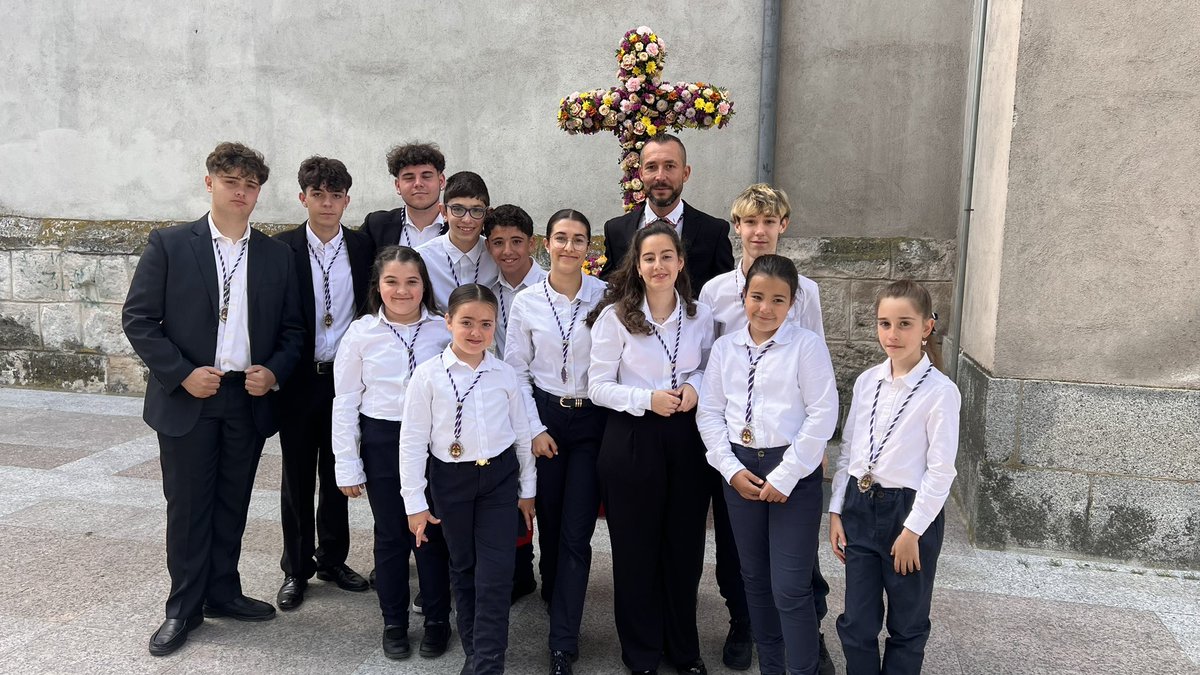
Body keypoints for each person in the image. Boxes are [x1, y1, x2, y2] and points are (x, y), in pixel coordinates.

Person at [123, 142, 304, 656]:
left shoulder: (276, 255)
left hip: (245, 397)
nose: (241, 192)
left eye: (250, 185)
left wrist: (273, 372)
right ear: (210, 183)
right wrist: (182, 374)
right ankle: (183, 607)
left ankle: (223, 591)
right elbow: (139, 319)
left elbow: (293, 329)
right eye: (231, 182)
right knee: (188, 506)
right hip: (190, 397)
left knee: (232, 500)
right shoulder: (170, 244)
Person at [698, 183, 834, 673]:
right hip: (737, 456)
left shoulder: (805, 313)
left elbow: (819, 395)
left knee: (793, 578)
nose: (765, 307)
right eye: (750, 222)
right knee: (751, 572)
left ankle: (807, 648)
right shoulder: (717, 303)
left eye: (768, 221)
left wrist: (803, 457)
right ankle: (758, 645)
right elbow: (710, 393)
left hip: (789, 454)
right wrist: (727, 464)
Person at [586, 221, 714, 675]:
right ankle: (640, 653)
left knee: (684, 551)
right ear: (637, 266)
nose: (658, 265)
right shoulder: (615, 318)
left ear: (680, 263)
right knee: (635, 550)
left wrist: (695, 386)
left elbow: (708, 368)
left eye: (666, 256)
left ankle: (683, 649)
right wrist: (646, 400)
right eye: (649, 258)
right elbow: (597, 386)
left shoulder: (699, 316)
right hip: (633, 437)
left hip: (686, 439)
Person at [401, 284, 536, 675]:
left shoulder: (503, 374)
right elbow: (412, 442)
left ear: (495, 327)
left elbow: (522, 434)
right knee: (463, 567)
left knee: (495, 573)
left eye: (486, 324)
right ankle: (475, 652)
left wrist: (528, 489)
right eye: (466, 322)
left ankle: (489, 663)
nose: (476, 332)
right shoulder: (428, 376)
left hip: (498, 480)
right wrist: (415, 503)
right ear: (448, 322)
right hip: (450, 480)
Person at [828, 280, 960, 675]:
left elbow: (941, 470)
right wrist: (836, 510)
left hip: (908, 514)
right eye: (885, 323)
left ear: (926, 327)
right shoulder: (867, 381)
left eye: (905, 324)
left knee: (907, 623)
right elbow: (849, 450)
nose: (893, 334)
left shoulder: (940, 391)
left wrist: (912, 532)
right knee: (857, 622)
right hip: (860, 505)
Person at [331, 245, 455, 659]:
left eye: (411, 282)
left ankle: (437, 618)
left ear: (425, 286)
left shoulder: (442, 329)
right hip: (382, 440)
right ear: (377, 286)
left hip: (432, 444)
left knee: (431, 531)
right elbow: (345, 401)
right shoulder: (361, 333)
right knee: (391, 535)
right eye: (392, 282)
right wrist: (347, 464)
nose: (402, 291)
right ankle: (394, 622)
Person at [504, 209, 608, 675]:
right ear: (546, 244)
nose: (569, 247)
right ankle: (554, 587)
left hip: (591, 421)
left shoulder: (605, 297)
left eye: (578, 239)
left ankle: (563, 641)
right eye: (561, 238)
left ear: (589, 247)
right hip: (545, 414)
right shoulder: (526, 302)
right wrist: (534, 429)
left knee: (576, 533)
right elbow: (516, 371)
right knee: (547, 518)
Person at [272, 156, 372, 612]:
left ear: (347, 200)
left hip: (345, 380)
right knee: (296, 476)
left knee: (338, 472)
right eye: (318, 195)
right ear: (303, 198)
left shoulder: (363, 247)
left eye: (335, 195)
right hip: (298, 379)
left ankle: (332, 559)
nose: (327, 203)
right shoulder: (280, 248)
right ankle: (296, 568)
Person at [482, 204, 547, 601]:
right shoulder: (487, 291)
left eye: (516, 242)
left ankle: (542, 568)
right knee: (508, 482)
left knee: (537, 483)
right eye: (498, 243)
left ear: (532, 243)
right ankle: (518, 566)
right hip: (497, 398)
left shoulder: (547, 287)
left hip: (539, 395)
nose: (507, 251)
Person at [600, 134, 735, 293]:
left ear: (685, 173)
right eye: (651, 167)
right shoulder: (616, 230)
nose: (660, 177)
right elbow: (608, 291)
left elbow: (724, 293)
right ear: (641, 174)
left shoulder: (714, 232)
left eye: (670, 166)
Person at [415, 172, 499, 311]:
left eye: (476, 210)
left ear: (487, 214)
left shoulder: (497, 256)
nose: (467, 219)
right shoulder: (422, 258)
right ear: (443, 212)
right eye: (458, 209)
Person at [361, 142, 449, 252]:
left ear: (441, 181)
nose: (418, 183)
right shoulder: (377, 225)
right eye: (409, 178)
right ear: (398, 186)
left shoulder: (461, 225)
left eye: (426, 176)